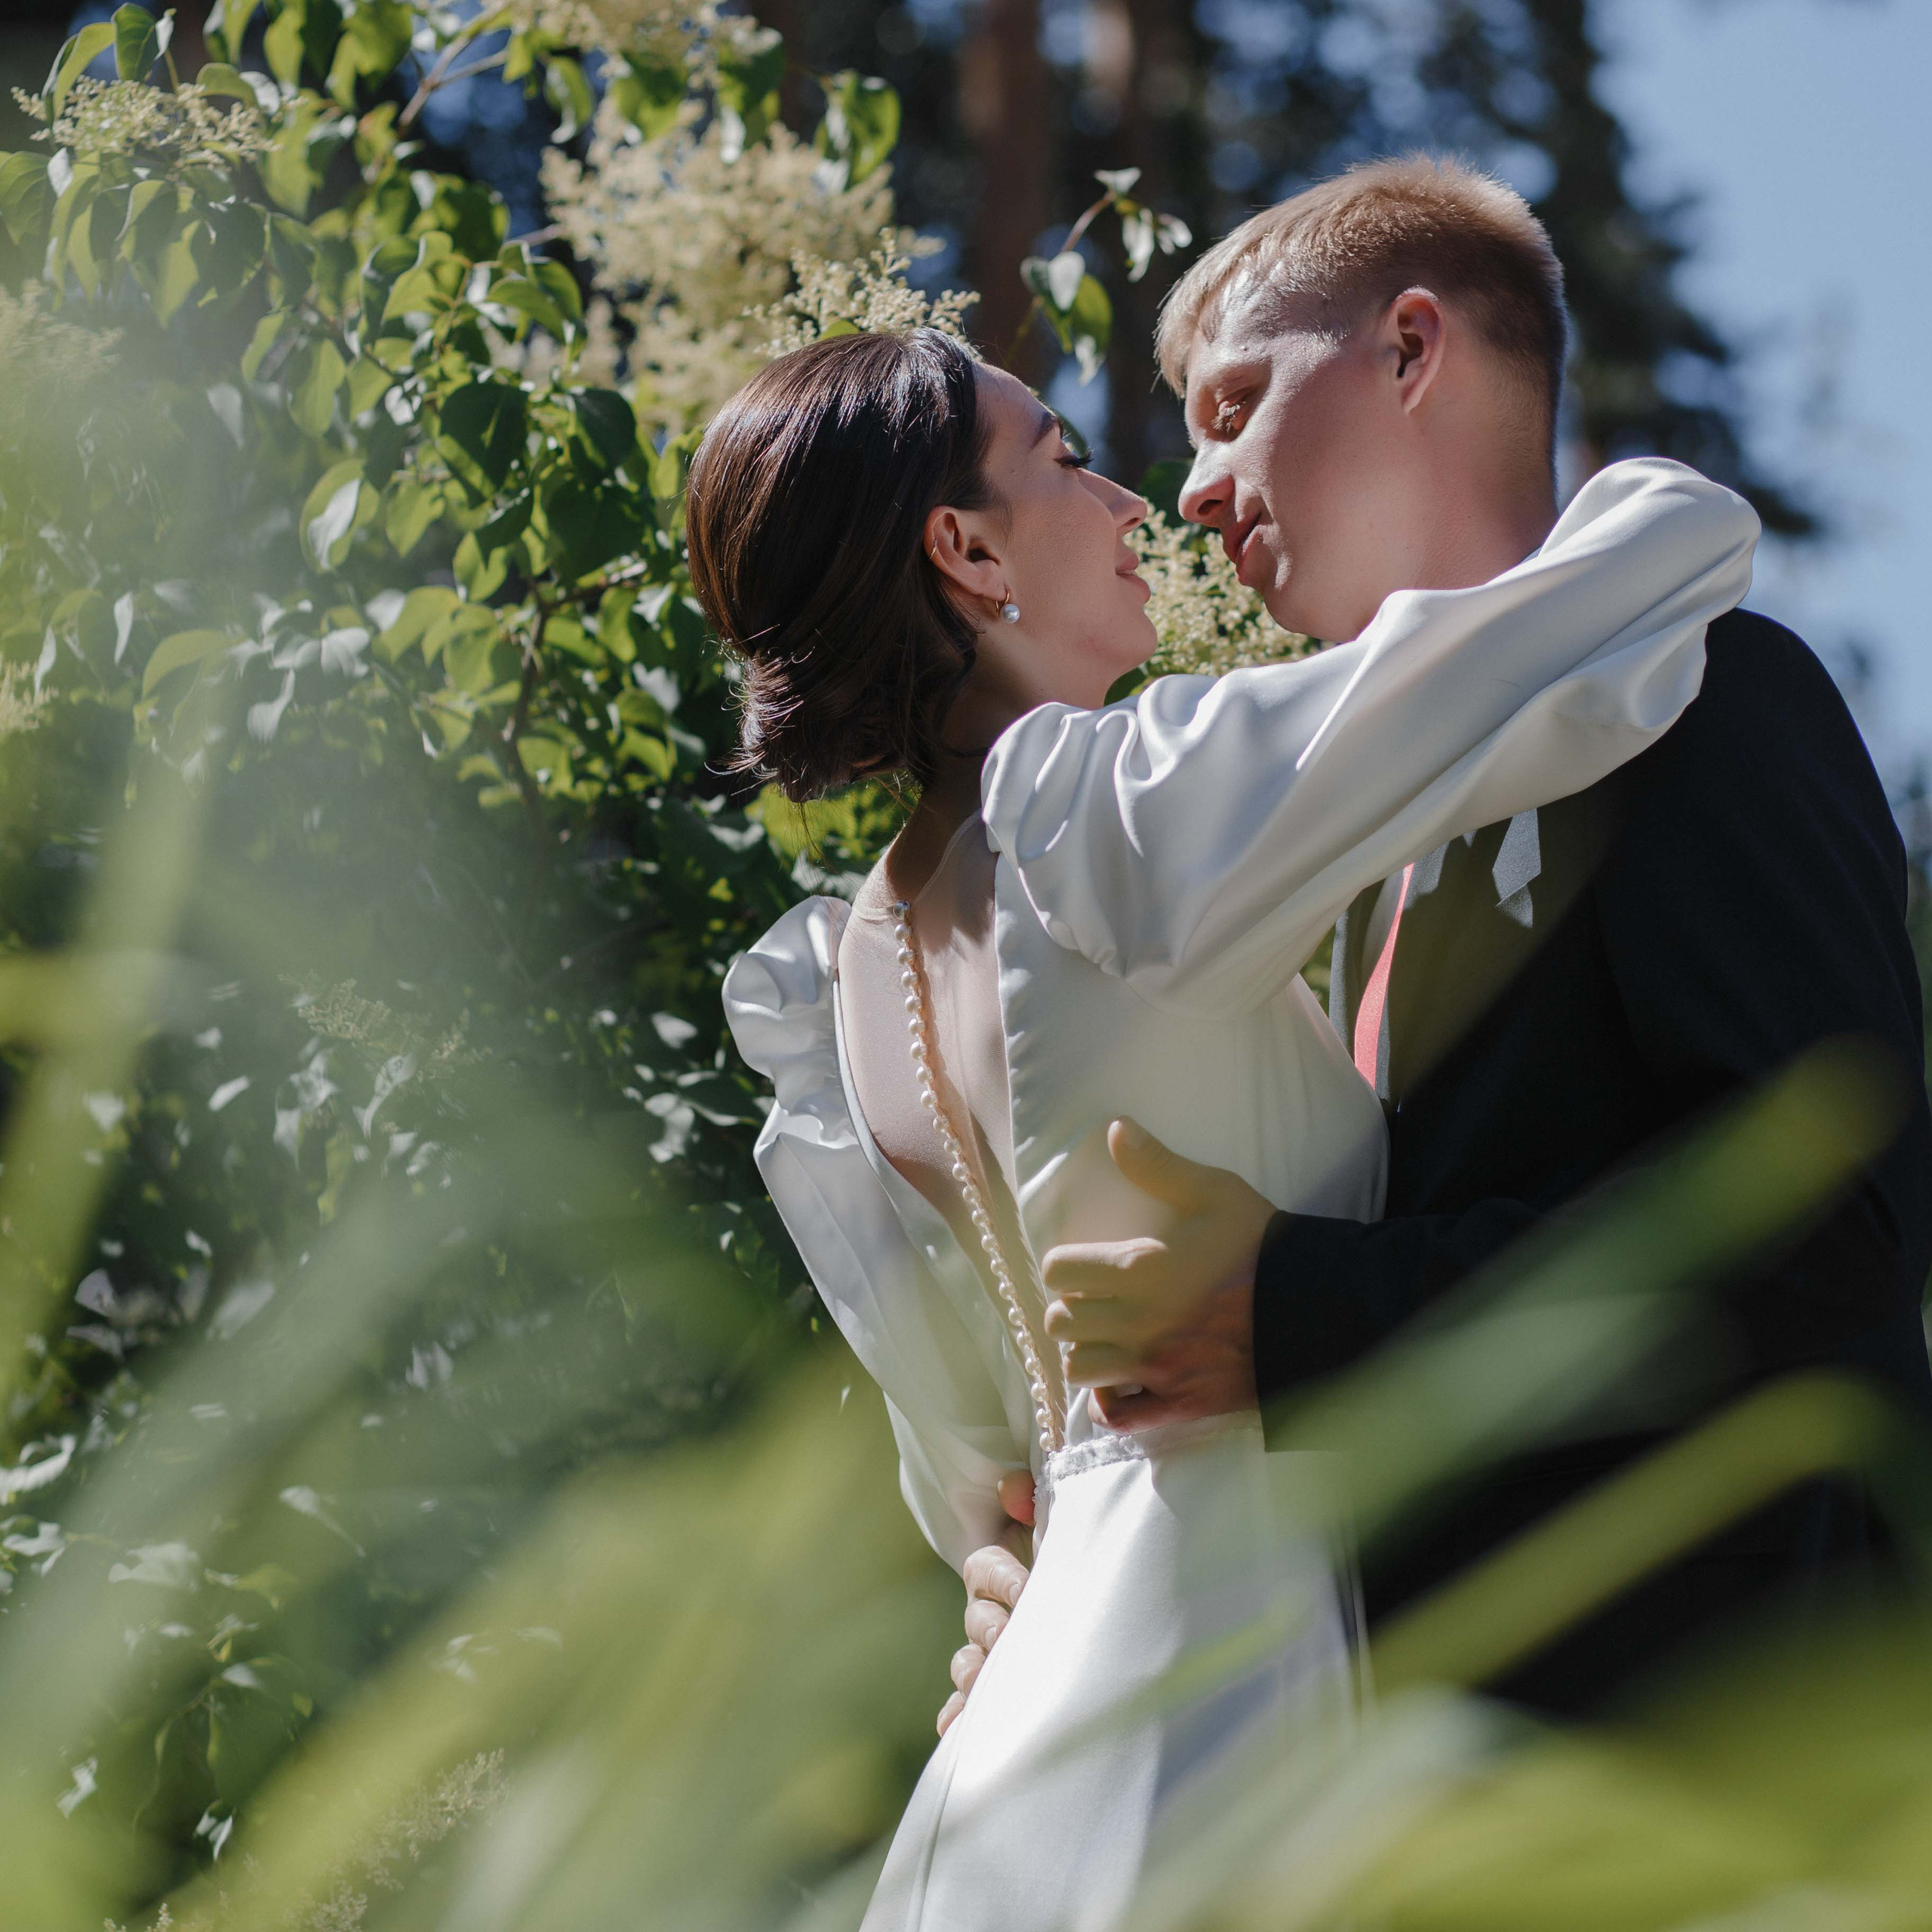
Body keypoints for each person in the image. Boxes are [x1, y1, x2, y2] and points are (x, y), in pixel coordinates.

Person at [701, 161, 1760, 1928]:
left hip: (1021, 1729)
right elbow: (1618, 597)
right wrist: (1640, 486)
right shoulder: (1092, 812)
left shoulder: (842, 986)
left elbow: (978, 1499)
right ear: (961, 552)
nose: (1137, 502)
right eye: (1061, 458)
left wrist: (991, 1578)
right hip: (1218, 1669)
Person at [964, 160, 1932, 1729]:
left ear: (1411, 348)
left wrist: (1293, 1310)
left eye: (1231, 404)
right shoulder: (1334, 882)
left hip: (1741, 1763)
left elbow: (1825, 1221)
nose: (1195, 489)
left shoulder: (1707, 696)